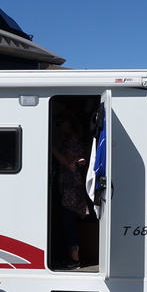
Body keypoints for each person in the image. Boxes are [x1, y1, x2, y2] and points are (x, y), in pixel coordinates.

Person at [51, 111, 91, 269]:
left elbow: (66, 161)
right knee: (67, 222)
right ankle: (70, 257)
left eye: (60, 122)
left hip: (72, 188)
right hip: (68, 187)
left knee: (68, 223)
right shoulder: (70, 140)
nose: (58, 126)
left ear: (69, 122)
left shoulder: (73, 140)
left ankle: (74, 260)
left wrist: (50, 146)